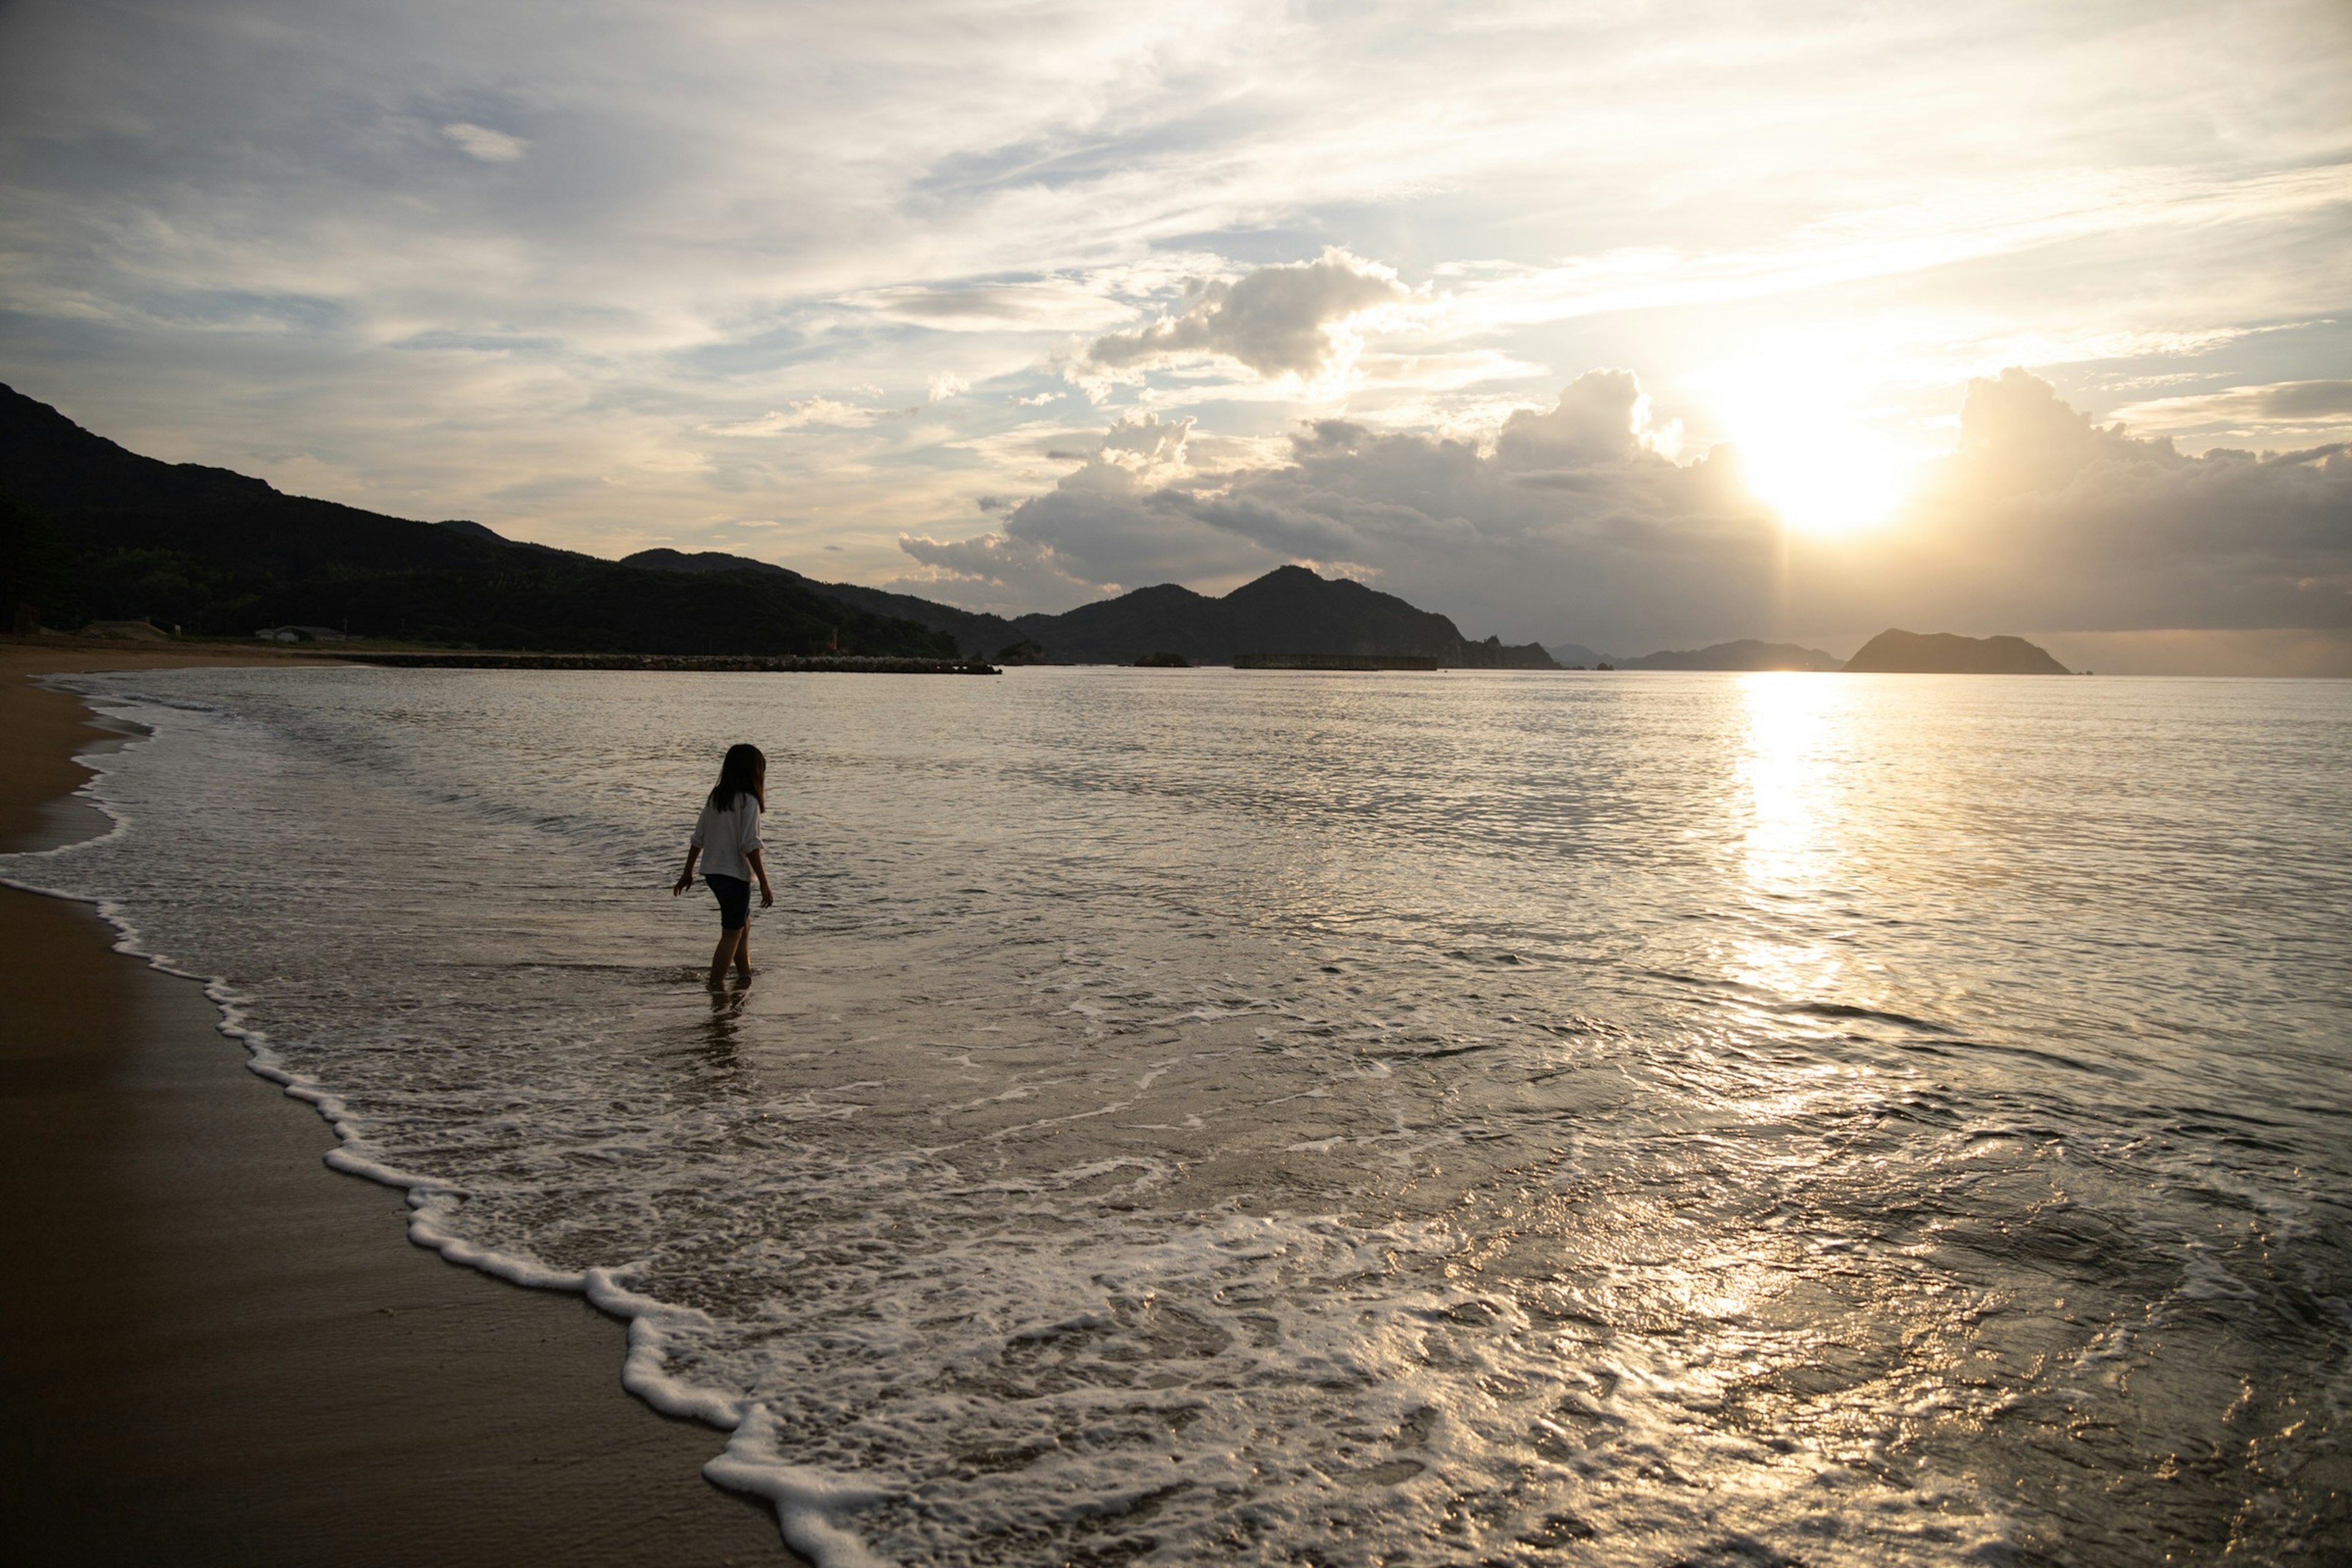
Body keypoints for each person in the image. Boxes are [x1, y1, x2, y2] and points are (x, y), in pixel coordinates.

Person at [672, 742, 775, 987]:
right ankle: (715, 985)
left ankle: (744, 977)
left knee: (743, 925)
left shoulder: (718, 796)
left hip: (714, 874)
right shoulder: (748, 801)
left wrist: (688, 872)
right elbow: (750, 844)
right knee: (731, 933)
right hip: (734, 876)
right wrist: (764, 883)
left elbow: (699, 837)